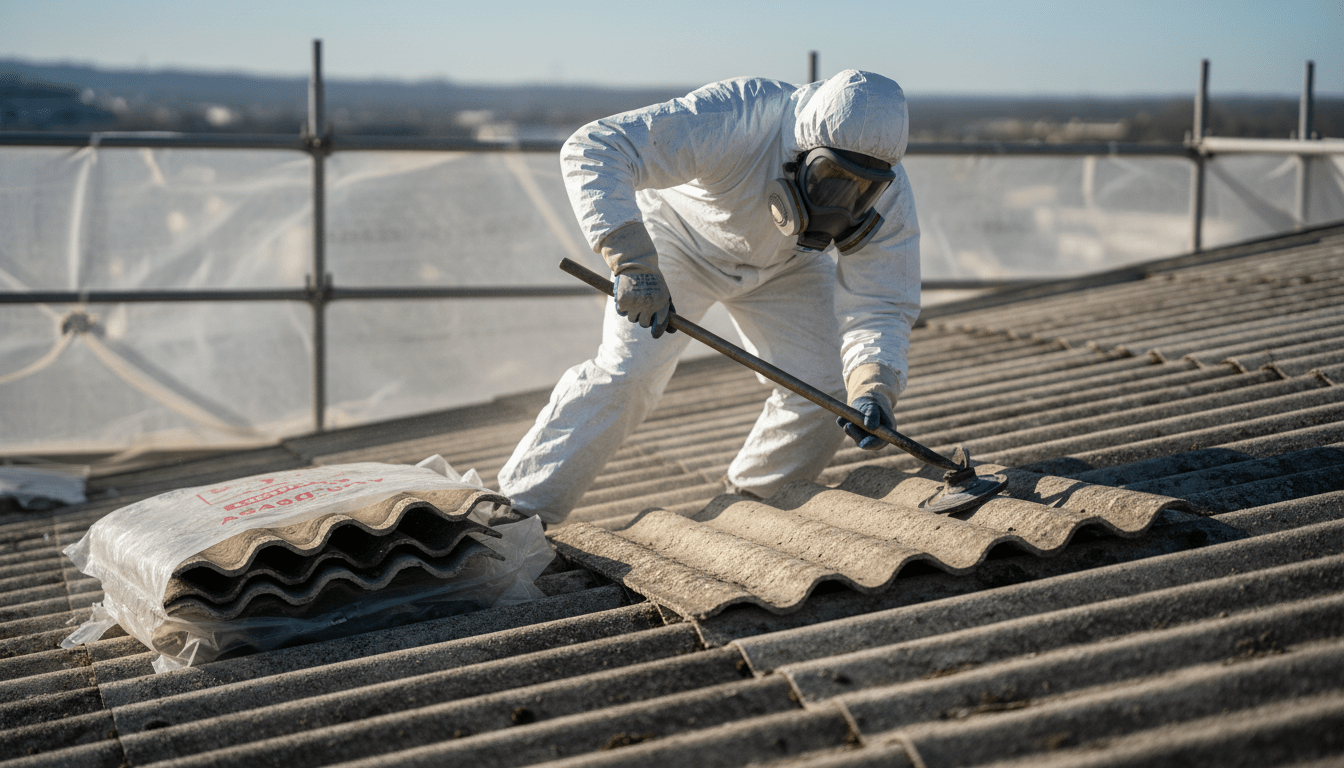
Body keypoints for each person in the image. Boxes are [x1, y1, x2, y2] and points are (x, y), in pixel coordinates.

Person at [497, 69, 920, 528]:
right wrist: (633, 261)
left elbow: (881, 302)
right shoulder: (738, 116)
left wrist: (873, 383)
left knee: (828, 388)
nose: (841, 206)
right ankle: (518, 512)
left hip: (787, 265)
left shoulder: (890, 198)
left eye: (860, 190)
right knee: (629, 374)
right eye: (829, 181)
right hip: (679, 245)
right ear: (799, 152)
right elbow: (596, 146)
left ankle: (750, 504)